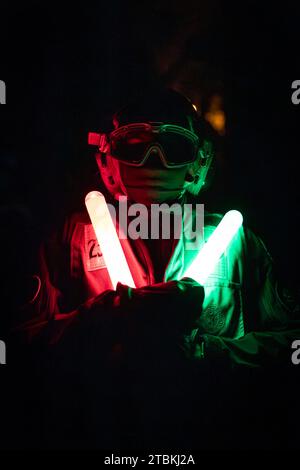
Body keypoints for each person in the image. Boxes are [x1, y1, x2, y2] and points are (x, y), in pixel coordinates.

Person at [15, 88, 300, 449]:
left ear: (199, 161)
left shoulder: (234, 242)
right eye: (133, 146)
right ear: (106, 159)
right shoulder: (73, 238)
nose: (153, 160)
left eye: (173, 147)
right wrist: (100, 320)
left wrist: (206, 353)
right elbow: (21, 344)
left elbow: (289, 341)